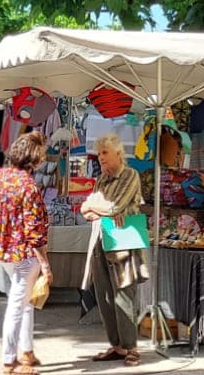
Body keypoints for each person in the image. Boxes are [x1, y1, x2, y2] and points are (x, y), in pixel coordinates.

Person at [0, 131, 52, 375]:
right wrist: (46, 264)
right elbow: (34, 231)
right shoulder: (29, 186)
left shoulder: (0, 177)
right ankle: (10, 361)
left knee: (24, 301)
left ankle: (26, 351)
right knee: (18, 304)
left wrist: (1, 226)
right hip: (25, 255)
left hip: (2, 251)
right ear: (35, 160)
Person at [81, 133, 144, 367]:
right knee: (105, 296)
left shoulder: (130, 175)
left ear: (118, 153)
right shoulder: (101, 180)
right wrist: (97, 208)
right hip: (100, 240)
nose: (100, 158)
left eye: (104, 153)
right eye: (99, 154)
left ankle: (132, 347)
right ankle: (116, 345)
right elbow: (86, 209)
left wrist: (97, 207)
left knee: (125, 295)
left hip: (124, 242)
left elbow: (115, 206)